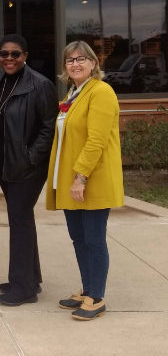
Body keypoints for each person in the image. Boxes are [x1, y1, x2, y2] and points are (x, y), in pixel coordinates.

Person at [46, 40, 124, 321]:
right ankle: (87, 288)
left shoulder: (101, 92)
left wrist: (81, 178)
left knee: (93, 238)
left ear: (94, 63)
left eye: (81, 59)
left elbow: (96, 140)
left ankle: (97, 296)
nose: (75, 64)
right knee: (79, 238)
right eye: (70, 60)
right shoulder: (74, 93)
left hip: (90, 180)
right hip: (70, 180)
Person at [0, 33, 57, 307]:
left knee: (19, 222)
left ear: (25, 56)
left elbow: (49, 127)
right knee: (22, 220)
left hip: (26, 168)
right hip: (5, 166)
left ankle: (23, 287)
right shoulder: (0, 82)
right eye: (4, 54)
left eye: (15, 54)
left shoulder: (40, 85)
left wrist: (31, 158)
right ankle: (30, 278)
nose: (9, 59)